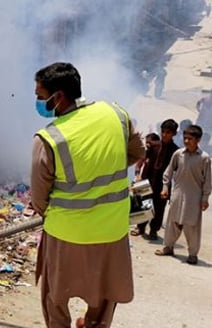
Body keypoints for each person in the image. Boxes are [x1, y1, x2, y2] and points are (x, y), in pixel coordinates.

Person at [31, 62, 145, 328]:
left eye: (39, 96)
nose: (37, 101)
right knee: (105, 293)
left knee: (55, 295)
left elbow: (39, 199)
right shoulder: (116, 114)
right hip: (112, 230)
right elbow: (138, 153)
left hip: (65, 233)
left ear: (57, 97)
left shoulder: (49, 138)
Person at [154, 124, 211, 265]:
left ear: (198, 140)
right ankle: (168, 247)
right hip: (177, 194)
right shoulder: (178, 154)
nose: (186, 141)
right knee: (172, 222)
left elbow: (208, 181)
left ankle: (192, 254)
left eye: (190, 139)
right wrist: (165, 188)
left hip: (194, 197)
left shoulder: (204, 158)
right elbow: (167, 173)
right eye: (185, 138)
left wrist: (205, 198)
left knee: (192, 226)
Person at [132, 119, 179, 240]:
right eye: (163, 131)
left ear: (174, 133)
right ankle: (140, 227)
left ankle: (154, 230)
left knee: (159, 207)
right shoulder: (153, 145)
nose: (164, 135)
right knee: (143, 203)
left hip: (162, 183)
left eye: (168, 132)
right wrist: (138, 174)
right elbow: (141, 159)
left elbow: (176, 170)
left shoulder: (176, 151)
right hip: (147, 179)